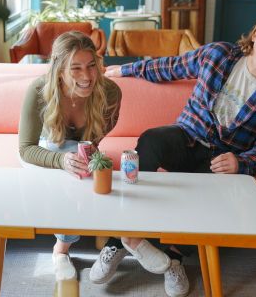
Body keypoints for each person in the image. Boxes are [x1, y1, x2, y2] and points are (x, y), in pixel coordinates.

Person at [93, 11, 256, 297]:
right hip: (186, 137)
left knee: (211, 195)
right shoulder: (218, 55)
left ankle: (173, 258)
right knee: (152, 139)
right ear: (255, 35)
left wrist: (242, 162)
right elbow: (171, 66)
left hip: (223, 158)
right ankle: (120, 239)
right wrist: (126, 70)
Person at [18, 31, 170, 281]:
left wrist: (86, 156)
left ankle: (127, 234)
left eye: (91, 66)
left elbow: (94, 140)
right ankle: (61, 249)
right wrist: (62, 160)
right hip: (43, 152)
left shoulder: (110, 93)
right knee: (67, 154)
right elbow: (25, 149)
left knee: (98, 168)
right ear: (58, 69)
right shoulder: (38, 90)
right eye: (75, 68)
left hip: (76, 149)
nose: (87, 76)